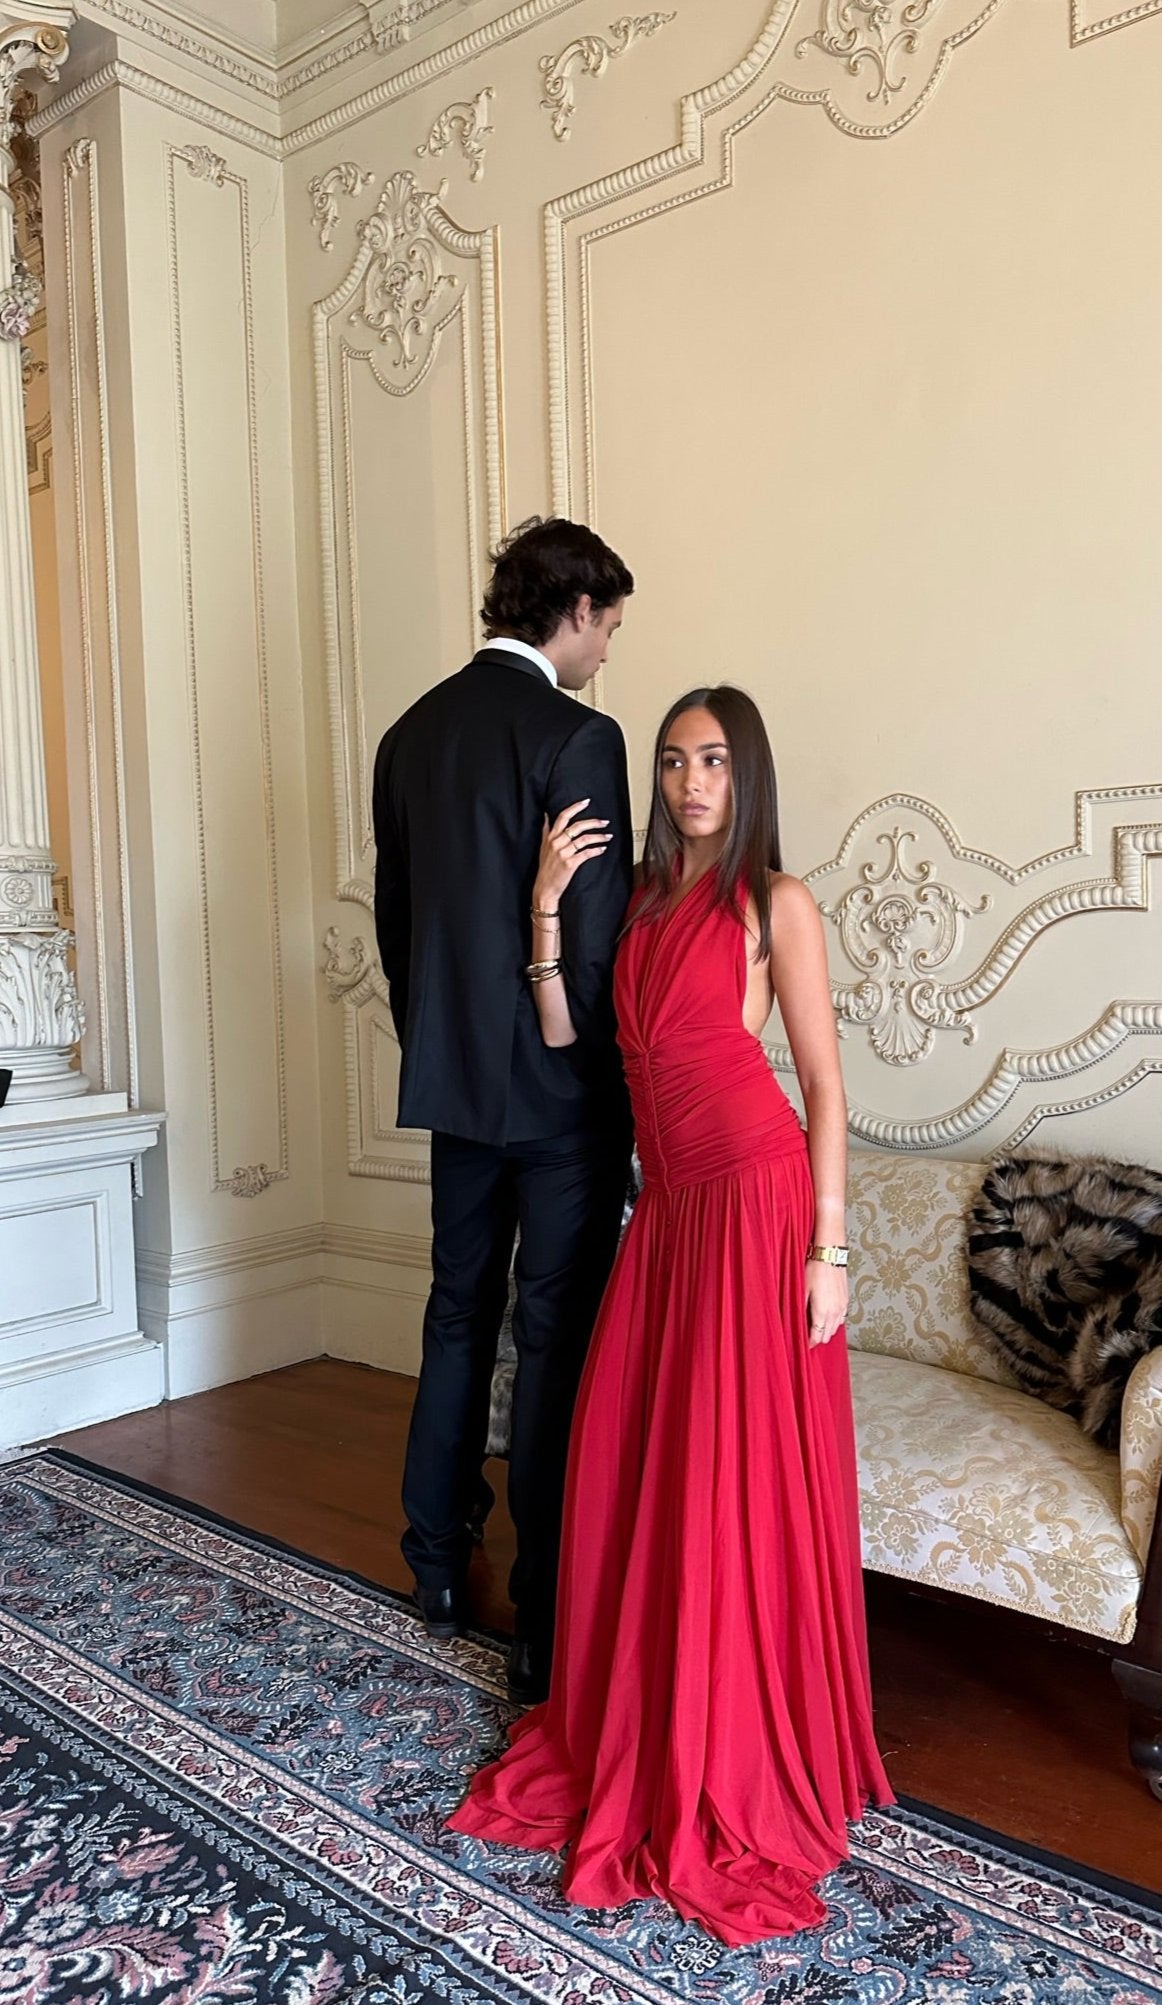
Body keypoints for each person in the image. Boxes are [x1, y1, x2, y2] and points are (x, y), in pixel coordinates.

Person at [448, 685, 892, 1944]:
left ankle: (733, 1734)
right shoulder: (638, 902)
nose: (691, 781)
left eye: (713, 760)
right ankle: (651, 1710)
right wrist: (546, 904)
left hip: (754, 1201)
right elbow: (567, 1034)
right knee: (630, 1459)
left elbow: (823, 1086)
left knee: (728, 1477)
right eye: (673, 760)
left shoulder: (772, 903)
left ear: (746, 774)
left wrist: (830, 1249)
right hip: (670, 1216)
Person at [372, 516, 634, 1705]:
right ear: (572, 612)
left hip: (455, 1083)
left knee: (455, 1313)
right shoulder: (579, 736)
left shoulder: (409, 735)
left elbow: (398, 929)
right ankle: (539, 1611)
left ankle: (433, 1562)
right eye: (608, 626)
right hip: (562, 1094)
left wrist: (442, 1047)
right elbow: (595, 949)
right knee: (552, 1336)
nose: (608, 650)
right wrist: (616, 1093)